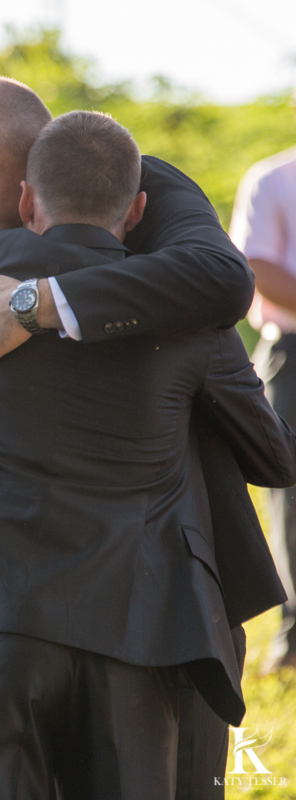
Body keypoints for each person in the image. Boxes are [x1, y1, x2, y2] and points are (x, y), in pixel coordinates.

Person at [0, 77, 283, 797]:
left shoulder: (162, 234)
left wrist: (37, 302)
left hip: (146, 613)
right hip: (62, 608)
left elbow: (226, 281)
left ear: (33, 172)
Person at [229, 123, 296, 674]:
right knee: (292, 493)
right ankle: (295, 636)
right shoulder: (274, 178)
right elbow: (257, 266)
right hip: (293, 349)